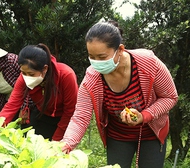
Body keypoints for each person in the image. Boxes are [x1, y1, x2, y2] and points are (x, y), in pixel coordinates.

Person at [61, 21, 178, 168]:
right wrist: (66, 144)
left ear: (120, 50)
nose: (96, 63)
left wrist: (144, 116)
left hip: (151, 134)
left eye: (102, 57)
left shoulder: (148, 63)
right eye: (91, 56)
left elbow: (170, 97)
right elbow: (80, 117)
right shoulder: (92, 78)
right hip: (118, 136)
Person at [0, 43, 78, 141]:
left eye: (31, 74)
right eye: (23, 73)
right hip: (42, 114)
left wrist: (57, 141)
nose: (26, 77)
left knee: (57, 148)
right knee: (30, 142)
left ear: (45, 69)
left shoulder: (66, 75)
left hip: (63, 118)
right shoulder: (23, 78)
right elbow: (12, 105)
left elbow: (70, 111)